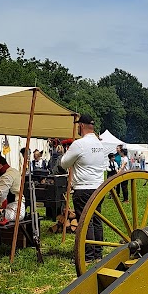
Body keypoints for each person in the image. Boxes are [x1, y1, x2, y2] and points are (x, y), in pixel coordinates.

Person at [60, 113, 106, 263]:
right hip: (99, 186)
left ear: (81, 126)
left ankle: (88, 256)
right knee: (97, 220)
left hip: (83, 188)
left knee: (86, 221)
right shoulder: (100, 144)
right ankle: (98, 254)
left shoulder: (79, 144)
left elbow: (63, 163)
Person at [0, 153, 25, 222]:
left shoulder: (6, 176)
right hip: (17, 207)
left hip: (15, 211)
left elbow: (0, 195)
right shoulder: (14, 171)